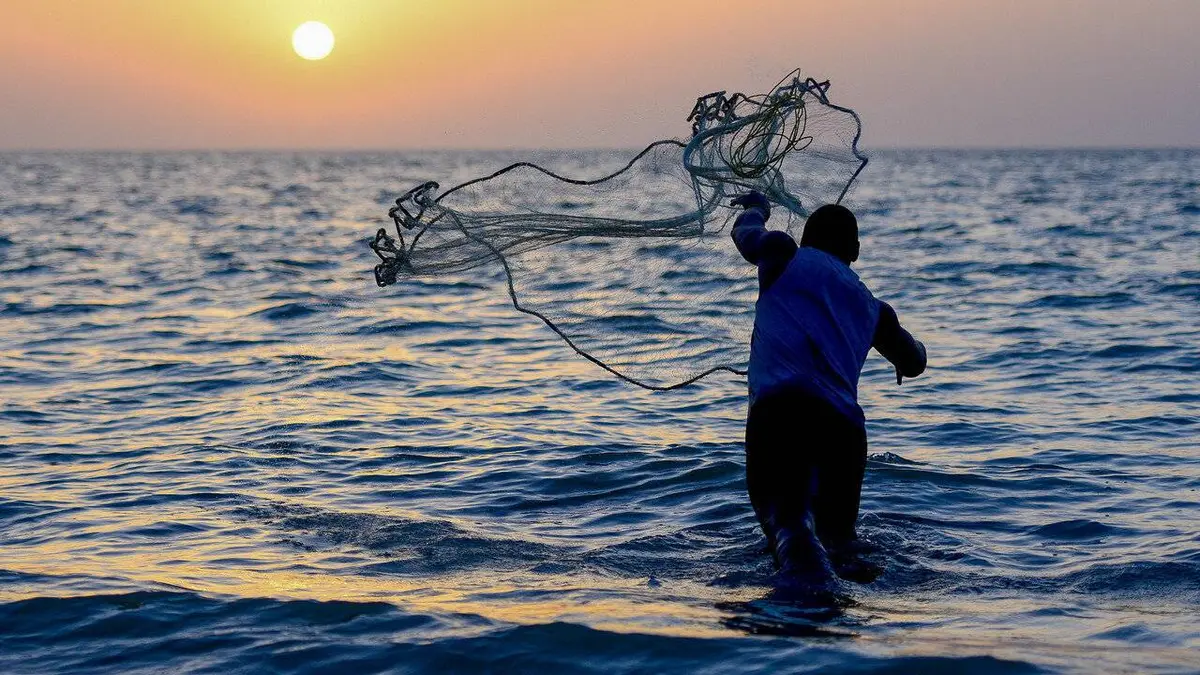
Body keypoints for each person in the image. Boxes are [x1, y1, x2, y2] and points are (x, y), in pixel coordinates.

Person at [730, 190, 927, 581]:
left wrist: (757, 207)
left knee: (788, 526)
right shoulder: (874, 309)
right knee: (839, 542)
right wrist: (911, 346)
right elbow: (914, 361)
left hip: (781, 415)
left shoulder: (781, 253)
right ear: (855, 251)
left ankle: (804, 602)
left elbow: (745, 234)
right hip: (844, 433)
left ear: (804, 239)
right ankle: (838, 609)